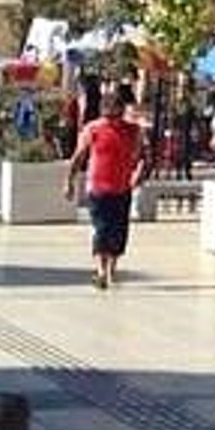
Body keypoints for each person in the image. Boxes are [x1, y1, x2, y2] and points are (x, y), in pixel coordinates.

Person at [71, 79, 145, 290]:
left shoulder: (133, 130)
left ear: (122, 111)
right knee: (102, 228)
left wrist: (138, 172)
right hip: (98, 187)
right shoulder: (93, 129)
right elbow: (79, 156)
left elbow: (142, 156)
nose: (112, 118)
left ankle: (111, 268)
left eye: (116, 112)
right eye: (108, 113)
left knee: (119, 231)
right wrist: (69, 180)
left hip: (122, 187)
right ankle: (102, 270)